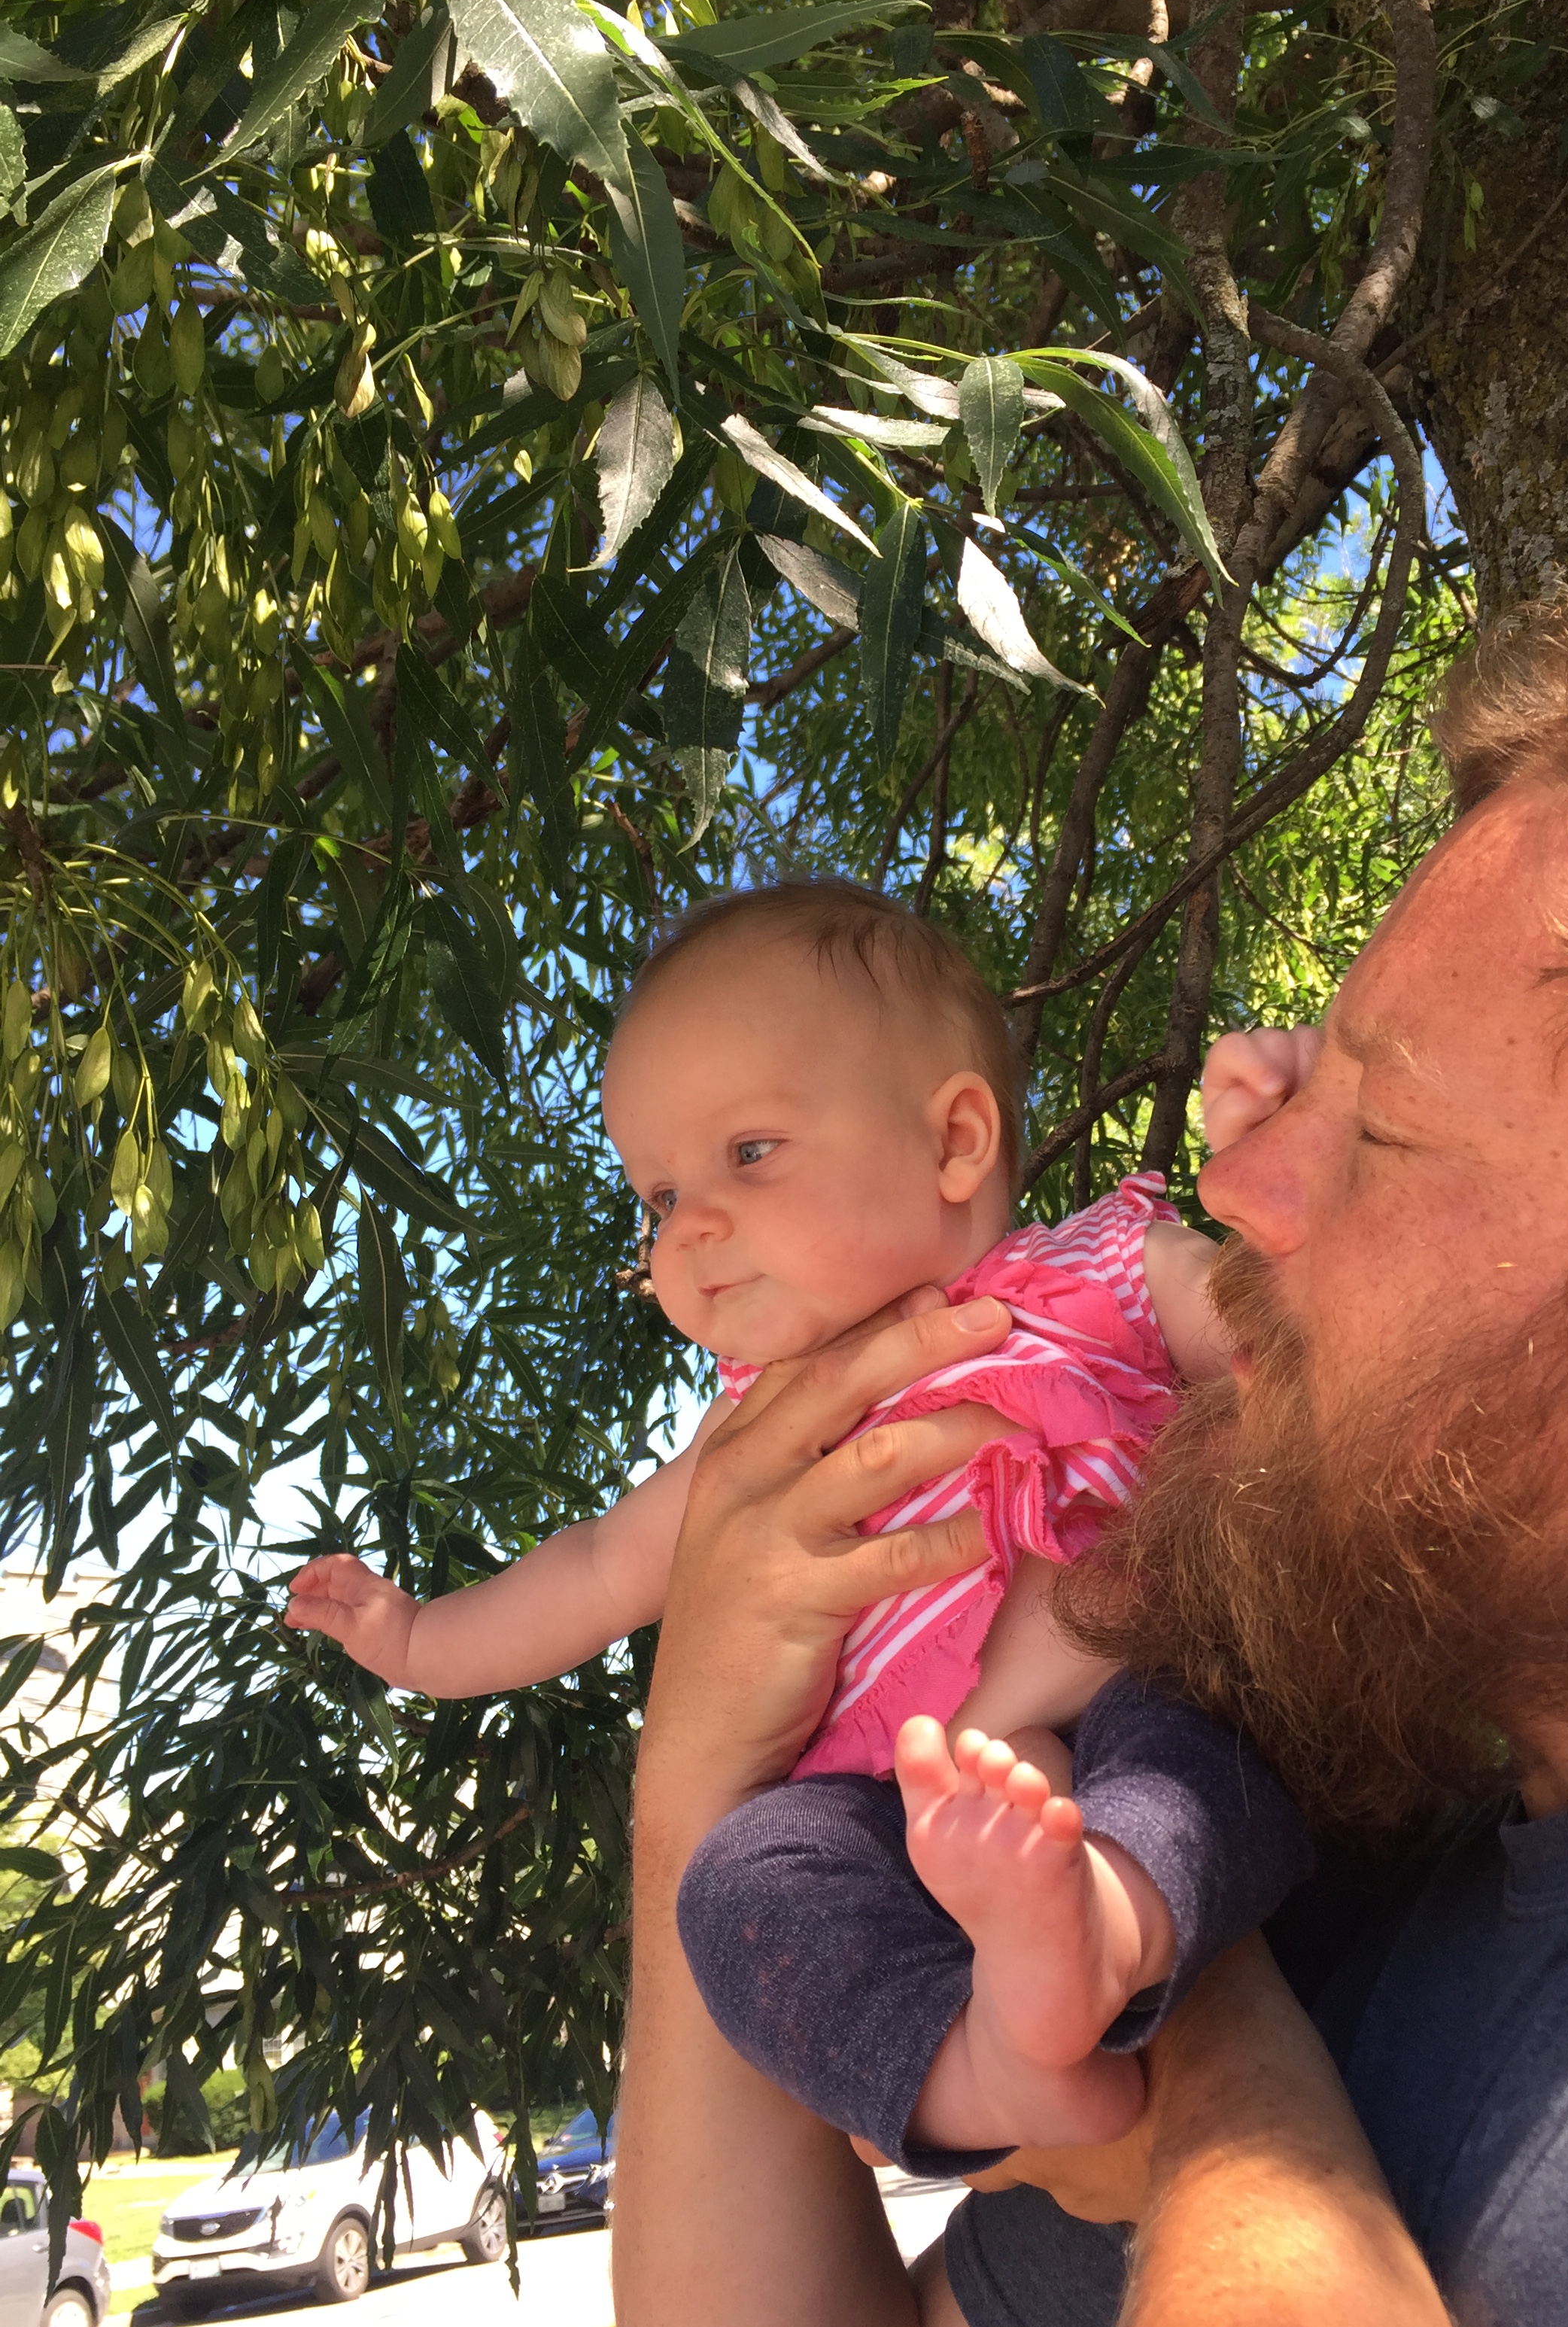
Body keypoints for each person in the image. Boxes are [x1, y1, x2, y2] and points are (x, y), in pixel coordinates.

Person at [614, 585, 1568, 2327]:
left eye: (1383, 1131)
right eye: (1298, 1079)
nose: (1237, 1179)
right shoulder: (1343, 1881)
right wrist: (699, 1788)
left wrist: (1203, 2085)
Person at [285, 883, 1315, 2165]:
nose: (689, 1227)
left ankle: (1099, 1928)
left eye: (749, 1153)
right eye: (659, 1194)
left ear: (955, 1141)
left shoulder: (1099, 1274)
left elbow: (1307, 1348)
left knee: (1199, 1757)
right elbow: (599, 1566)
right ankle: (982, 2067)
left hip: (1134, 1685)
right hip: (895, 1810)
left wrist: (1297, 1148)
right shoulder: (752, 1440)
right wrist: (418, 1640)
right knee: (740, 1883)